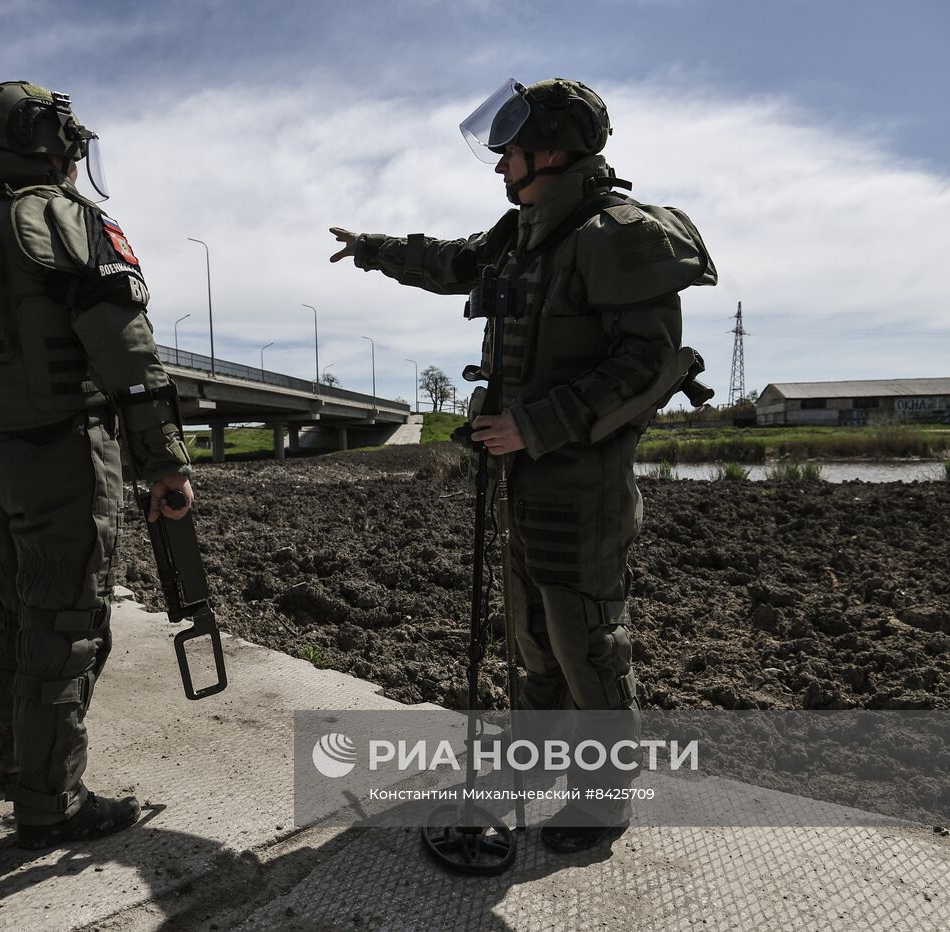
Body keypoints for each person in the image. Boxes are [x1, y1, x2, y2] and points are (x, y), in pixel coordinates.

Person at [331, 78, 715, 852]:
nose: (500, 162)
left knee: (588, 638)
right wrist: (373, 250)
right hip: (523, 474)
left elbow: (647, 364)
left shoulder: (619, 233)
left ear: (550, 150)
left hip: (583, 480)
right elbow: (450, 261)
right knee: (532, 629)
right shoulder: (526, 232)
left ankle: (603, 802)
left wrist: (536, 423)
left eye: (509, 148)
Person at [0, 81, 193, 849]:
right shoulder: (66, 220)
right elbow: (126, 352)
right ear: (50, 141)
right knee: (66, 626)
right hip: (63, 450)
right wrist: (164, 462)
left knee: (16, 612)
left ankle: (20, 764)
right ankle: (51, 804)